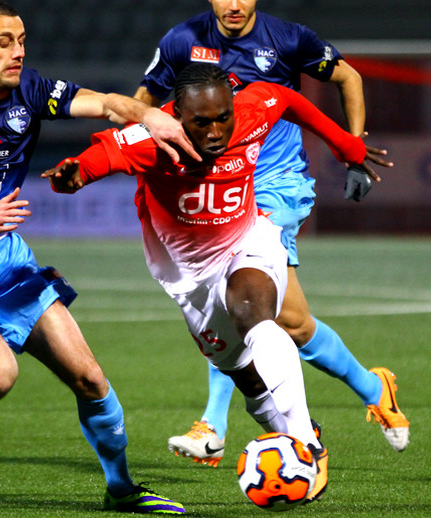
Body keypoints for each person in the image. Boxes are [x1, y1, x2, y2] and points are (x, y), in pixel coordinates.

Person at [0, 1, 197, 513]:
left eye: (22, 40)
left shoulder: (29, 90)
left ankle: (121, 490)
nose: (18, 51)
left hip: (7, 260)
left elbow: (104, 104)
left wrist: (149, 118)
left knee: (90, 377)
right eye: (5, 42)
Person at [44, 63, 392, 503]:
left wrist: (346, 146)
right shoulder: (154, 138)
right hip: (190, 277)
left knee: (256, 315)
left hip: (250, 240)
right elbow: (98, 157)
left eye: (222, 118)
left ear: (233, 106)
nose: (215, 132)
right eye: (201, 122)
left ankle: (306, 442)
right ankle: (286, 438)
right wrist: (73, 175)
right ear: (178, 115)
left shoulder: (252, 109)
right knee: (242, 373)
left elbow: (289, 100)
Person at [133, 0, 409, 466]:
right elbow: (142, 101)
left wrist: (354, 147)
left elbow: (349, 77)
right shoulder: (181, 41)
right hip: (216, 186)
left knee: (237, 297)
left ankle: (213, 425)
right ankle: (372, 385)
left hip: (275, 185)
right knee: (294, 323)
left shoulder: (288, 38)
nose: (234, 4)